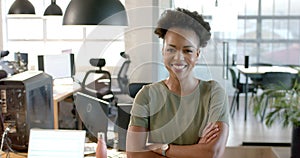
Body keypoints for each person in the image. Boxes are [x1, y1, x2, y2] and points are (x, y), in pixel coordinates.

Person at [126, 7, 229, 158]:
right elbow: (134, 155)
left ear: (197, 54)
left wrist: (163, 148)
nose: (178, 58)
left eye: (187, 51)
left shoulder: (213, 93)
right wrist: (195, 151)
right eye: (171, 49)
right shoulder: (147, 95)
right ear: (163, 51)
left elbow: (212, 153)